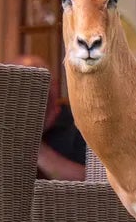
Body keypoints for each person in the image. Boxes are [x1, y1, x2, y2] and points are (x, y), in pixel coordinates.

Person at [14, 52, 87, 181]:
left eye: (29, 85)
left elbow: (91, 181)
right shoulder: (1, 128)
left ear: (53, 89)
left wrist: (34, 146)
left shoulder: (80, 125)